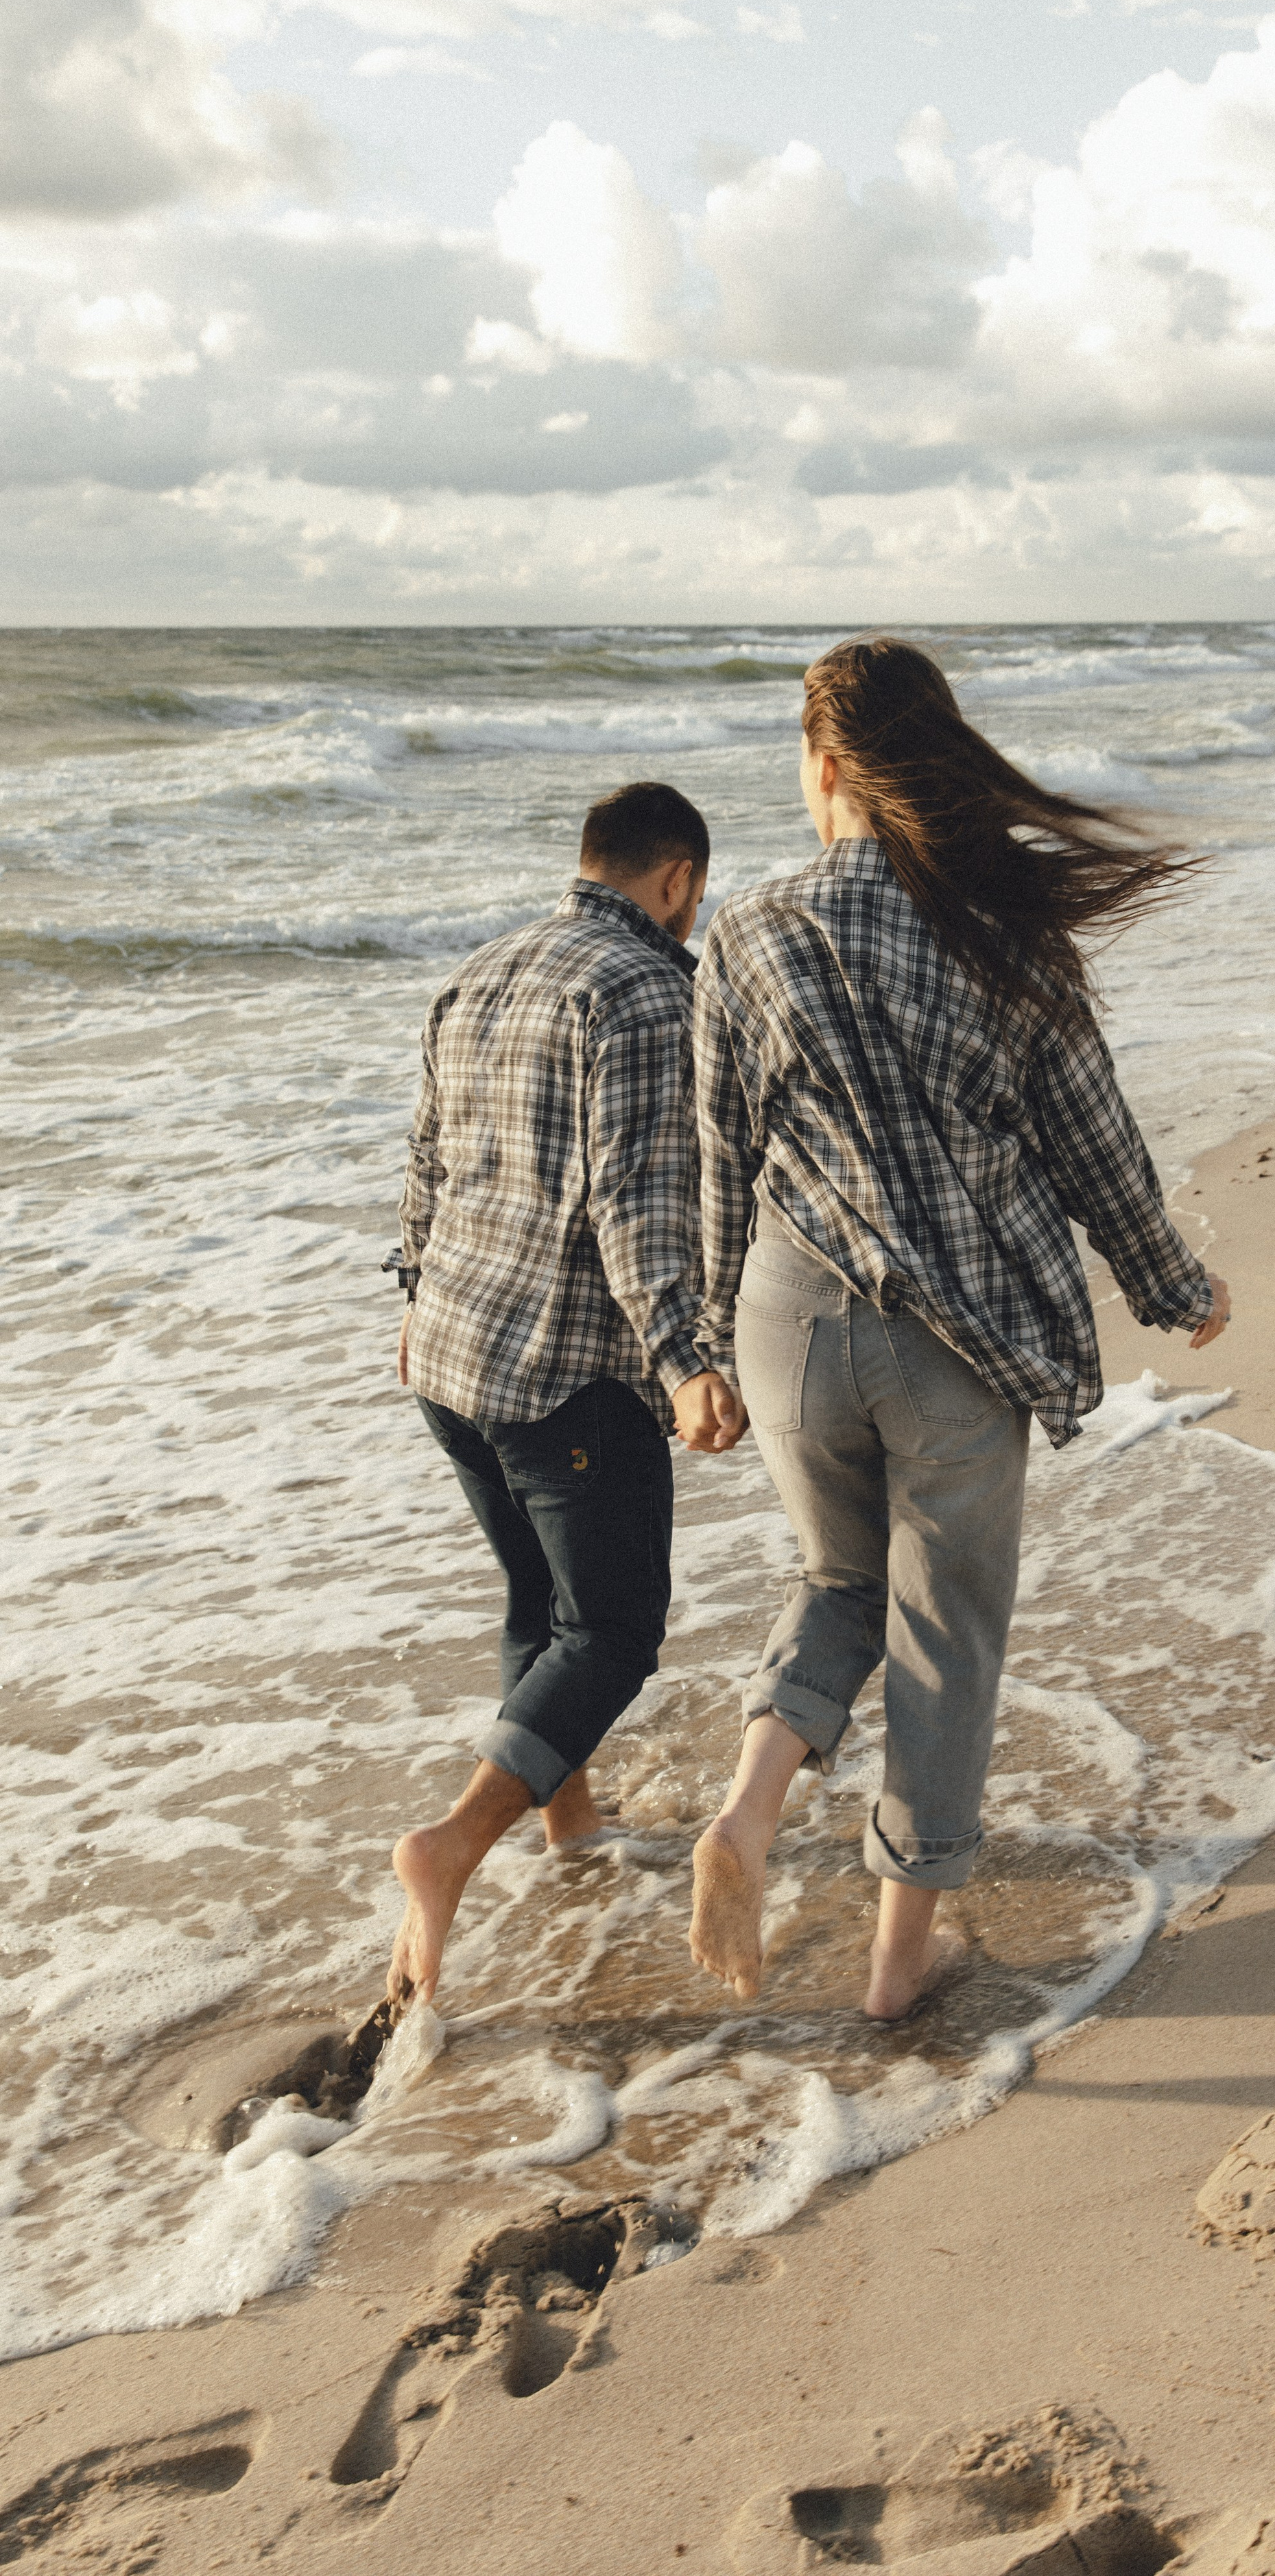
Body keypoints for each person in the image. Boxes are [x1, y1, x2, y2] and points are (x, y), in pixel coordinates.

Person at [686, 638, 1232, 2024]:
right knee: (943, 1631)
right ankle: (900, 1957)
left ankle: (749, 1807)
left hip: (785, 1318)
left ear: (824, 766)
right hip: (956, 1337)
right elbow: (1092, 1143)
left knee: (836, 1578)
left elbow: (714, 1154)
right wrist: (1174, 1283)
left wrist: (694, 1350)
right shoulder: (1003, 930)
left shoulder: (745, 927)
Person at [386, 781, 747, 2007]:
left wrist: (414, 1295)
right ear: (680, 879)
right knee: (613, 1630)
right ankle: (452, 1843)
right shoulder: (645, 990)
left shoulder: (479, 972)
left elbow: (428, 1161)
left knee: (537, 1600)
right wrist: (686, 1357)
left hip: (451, 1354)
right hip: (563, 1370)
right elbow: (634, 1198)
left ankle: (570, 1818)